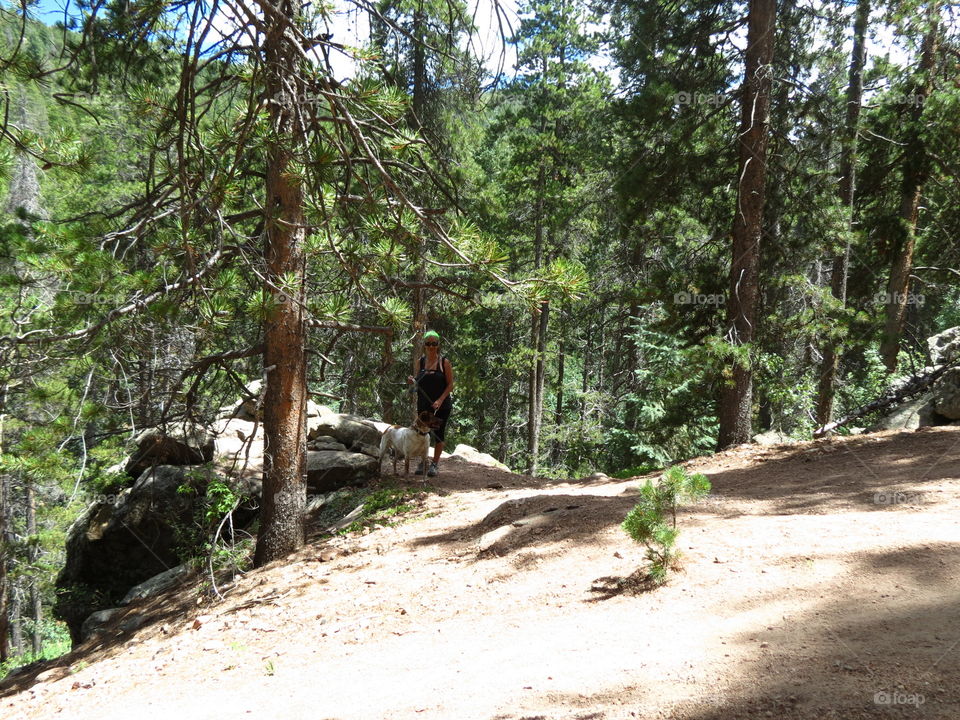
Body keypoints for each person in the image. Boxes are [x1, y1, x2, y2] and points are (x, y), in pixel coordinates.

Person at [407, 330, 454, 477]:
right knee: (422, 432)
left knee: (438, 434)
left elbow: (451, 384)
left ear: (438, 345)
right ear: (424, 345)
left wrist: (440, 400)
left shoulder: (444, 362)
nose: (431, 346)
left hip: (441, 406)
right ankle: (423, 461)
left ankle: (435, 464)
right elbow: (417, 383)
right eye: (428, 344)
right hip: (423, 405)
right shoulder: (420, 362)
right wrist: (412, 382)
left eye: (434, 343)